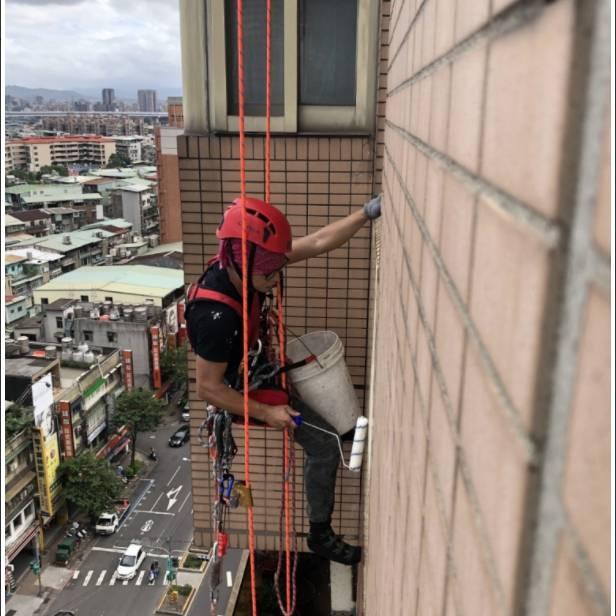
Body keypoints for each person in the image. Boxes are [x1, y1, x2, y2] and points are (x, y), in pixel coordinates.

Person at [186, 194, 381, 565]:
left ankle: (342, 433)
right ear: (242, 265)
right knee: (322, 446)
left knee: (323, 405)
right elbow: (208, 389)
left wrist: (366, 213)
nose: (275, 277)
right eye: (269, 273)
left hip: (258, 365)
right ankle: (320, 534)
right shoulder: (214, 316)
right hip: (241, 390)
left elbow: (318, 241)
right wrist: (264, 412)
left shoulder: (254, 261)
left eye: (277, 268)